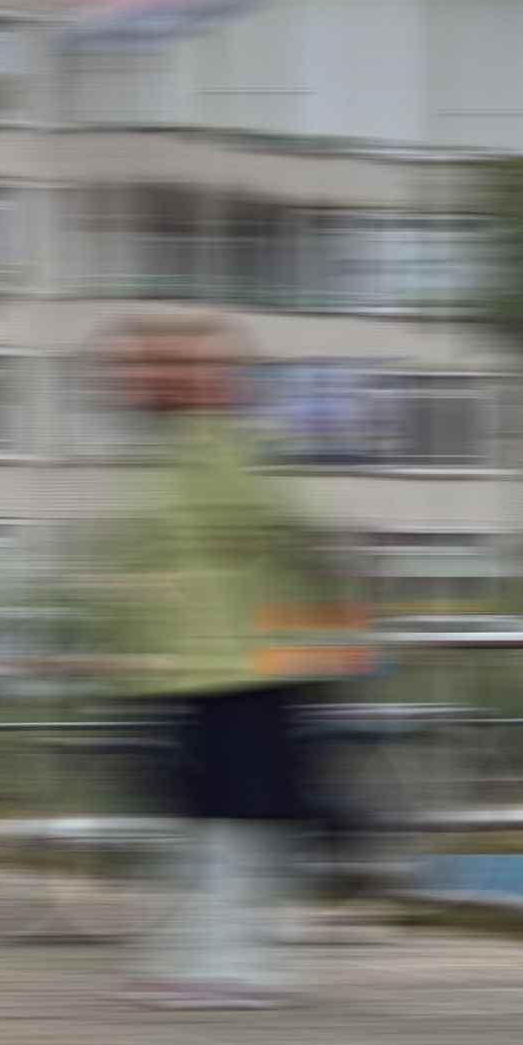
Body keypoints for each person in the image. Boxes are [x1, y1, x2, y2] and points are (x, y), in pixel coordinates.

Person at [103, 311, 341, 1005]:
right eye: (144, 364)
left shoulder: (223, 448)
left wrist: (323, 644)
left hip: (242, 664)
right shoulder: (176, 451)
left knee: (232, 820)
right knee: (206, 819)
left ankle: (239, 969)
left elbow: (290, 539)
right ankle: (206, 962)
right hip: (197, 665)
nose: (147, 377)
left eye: (170, 366)